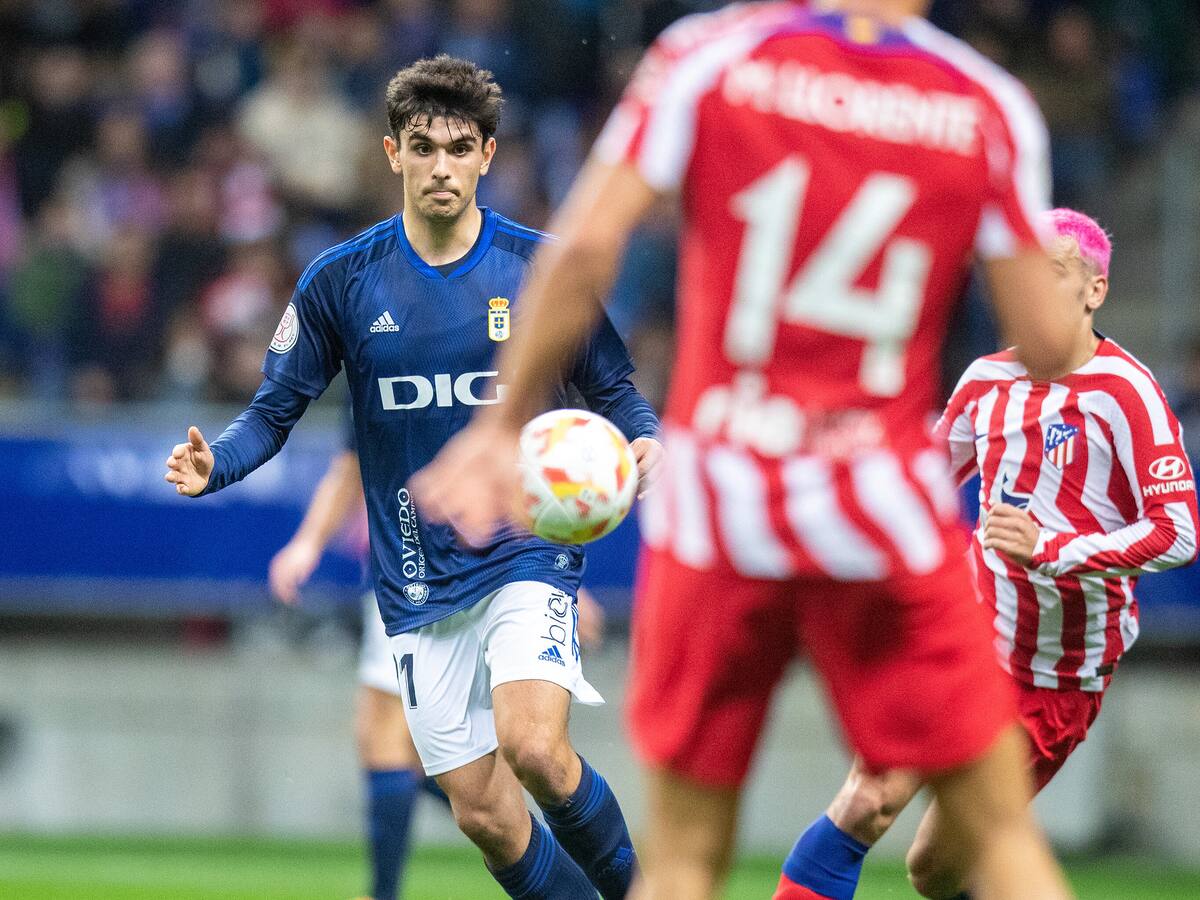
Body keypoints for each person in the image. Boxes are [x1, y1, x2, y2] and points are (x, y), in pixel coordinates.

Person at [411, 3, 1085, 899]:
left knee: (685, 861)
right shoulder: (985, 104)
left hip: (721, 507)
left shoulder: (709, 57)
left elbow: (586, 249)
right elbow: (1047, 342)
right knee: (999, 838)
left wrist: (500, 428)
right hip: (881, 510)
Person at [166, 55, 663, 900]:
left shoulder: (540, 270)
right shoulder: (340, 281)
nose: (441, 166)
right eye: (423, 147)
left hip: (525, 548)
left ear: (488, 155)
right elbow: (273, 413)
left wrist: (646, 438)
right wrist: (218, 465)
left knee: (536, 749)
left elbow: (616, 391)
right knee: (484, 815)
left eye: (460, 148)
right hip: (416, 573)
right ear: (393, 151)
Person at [776, 209, 1199, 900]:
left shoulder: (1129, 395)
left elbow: (1178, 531)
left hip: (1058, 673)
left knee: (934, 870)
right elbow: (920, 484)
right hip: (966, 640)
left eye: (1052, 273)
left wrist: (1052, 547)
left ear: (1094, 290)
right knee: (866, 801)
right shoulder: (985, 380)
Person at [268, 420, 610, 900]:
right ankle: (539, 850)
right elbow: (351, 462)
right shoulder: (380, 377)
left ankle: (391, 891)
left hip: (437, 582)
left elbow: (504, 471)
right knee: (427, 765)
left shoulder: (478, 389)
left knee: (396, 745)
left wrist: (555, 572)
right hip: (410, 576)